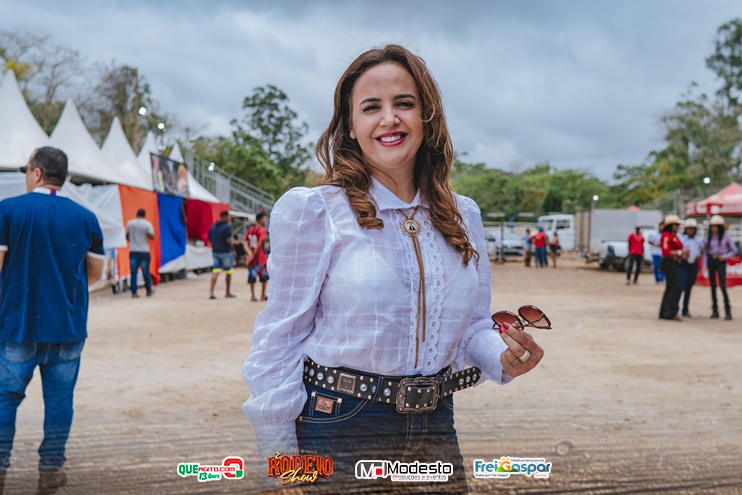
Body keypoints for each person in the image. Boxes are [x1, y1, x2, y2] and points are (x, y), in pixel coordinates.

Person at [242, 45, 545, 494]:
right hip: (339, 426)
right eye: (371, 107)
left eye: (404, 103)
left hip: (436, 428)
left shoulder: (463, 215)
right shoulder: (315, 211)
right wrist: (281, 462)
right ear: (350, 125)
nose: (389, 119)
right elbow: (280, 335)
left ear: (427, 116)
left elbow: (472, 326)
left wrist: (502, 357)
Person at [0, 148, 104, 494]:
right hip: (68, 328)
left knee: (5, 399)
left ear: (37, 173)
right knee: (60, 402)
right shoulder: (86, 217)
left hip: (17, 325)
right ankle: (50, 471)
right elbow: (95, 272)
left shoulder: (8, 210)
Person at [703, 215, 736, 320]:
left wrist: (724, 256)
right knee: (713, 286)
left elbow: (734, 250)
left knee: (722, 285)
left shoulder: (726, 237)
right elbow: (705, 252)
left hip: (721, 261)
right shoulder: (708, 238)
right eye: (712, 226)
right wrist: (704, 265)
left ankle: (727, 311)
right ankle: (715, 310)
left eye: (716, 226)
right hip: (711, 261)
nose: (714, 228)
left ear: (720, 227)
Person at [658, 215, 686, 321]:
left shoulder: (674, 235)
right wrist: (680, 253)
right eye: (676, 224)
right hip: (668, 262)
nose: (678, 226)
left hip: (674, 262)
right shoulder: (666, 235)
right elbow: (666, 252)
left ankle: (664, 311)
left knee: (670, 288)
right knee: (675, 287)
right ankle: (669, 312)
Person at [125, 208, 155, 298]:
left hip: (133, 251)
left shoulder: (130, 223)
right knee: (145, 272)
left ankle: (134, 293)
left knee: (133, 272)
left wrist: (134, 240)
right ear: (144, 215)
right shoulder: (147, 224)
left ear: (137, 214)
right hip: (144, 251)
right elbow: (152, 236)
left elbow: (127, 237)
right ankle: (148, 290)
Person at [676, 219, 703, 317]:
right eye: (689, 228)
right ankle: (675, 309)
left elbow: (702, 251)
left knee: (689, 287)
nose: (690, 230)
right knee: (681, 286)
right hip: (683, 263)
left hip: (693, 264)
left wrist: (699, 256)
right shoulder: (681, 238)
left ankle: (685, 309)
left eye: (692, 229)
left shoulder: (698, 240)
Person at [208, 211, 236, 300]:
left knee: (215, 271)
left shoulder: (213, 227)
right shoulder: (227, 227)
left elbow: (209, 239)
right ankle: (227, 292)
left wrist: (216, 245)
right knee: (228, 272)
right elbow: (228, 240)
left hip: (215, 252)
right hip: (226, 252)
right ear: (225, 217)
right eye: (229, 216)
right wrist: (233, 247)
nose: (229, 218)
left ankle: (211, 292)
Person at [245, 212, 270, 302]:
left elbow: (245, 243)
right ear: (260, 220)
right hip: (260, 257)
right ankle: (262, 295)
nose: (265, 221)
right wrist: (254, 254)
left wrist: (250, 253)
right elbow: (260, 243)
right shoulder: (262, 230)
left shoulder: (250, 229)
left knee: (252, 276)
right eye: (264, 219)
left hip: (251, 258)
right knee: (263, 276)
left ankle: (253, 296)